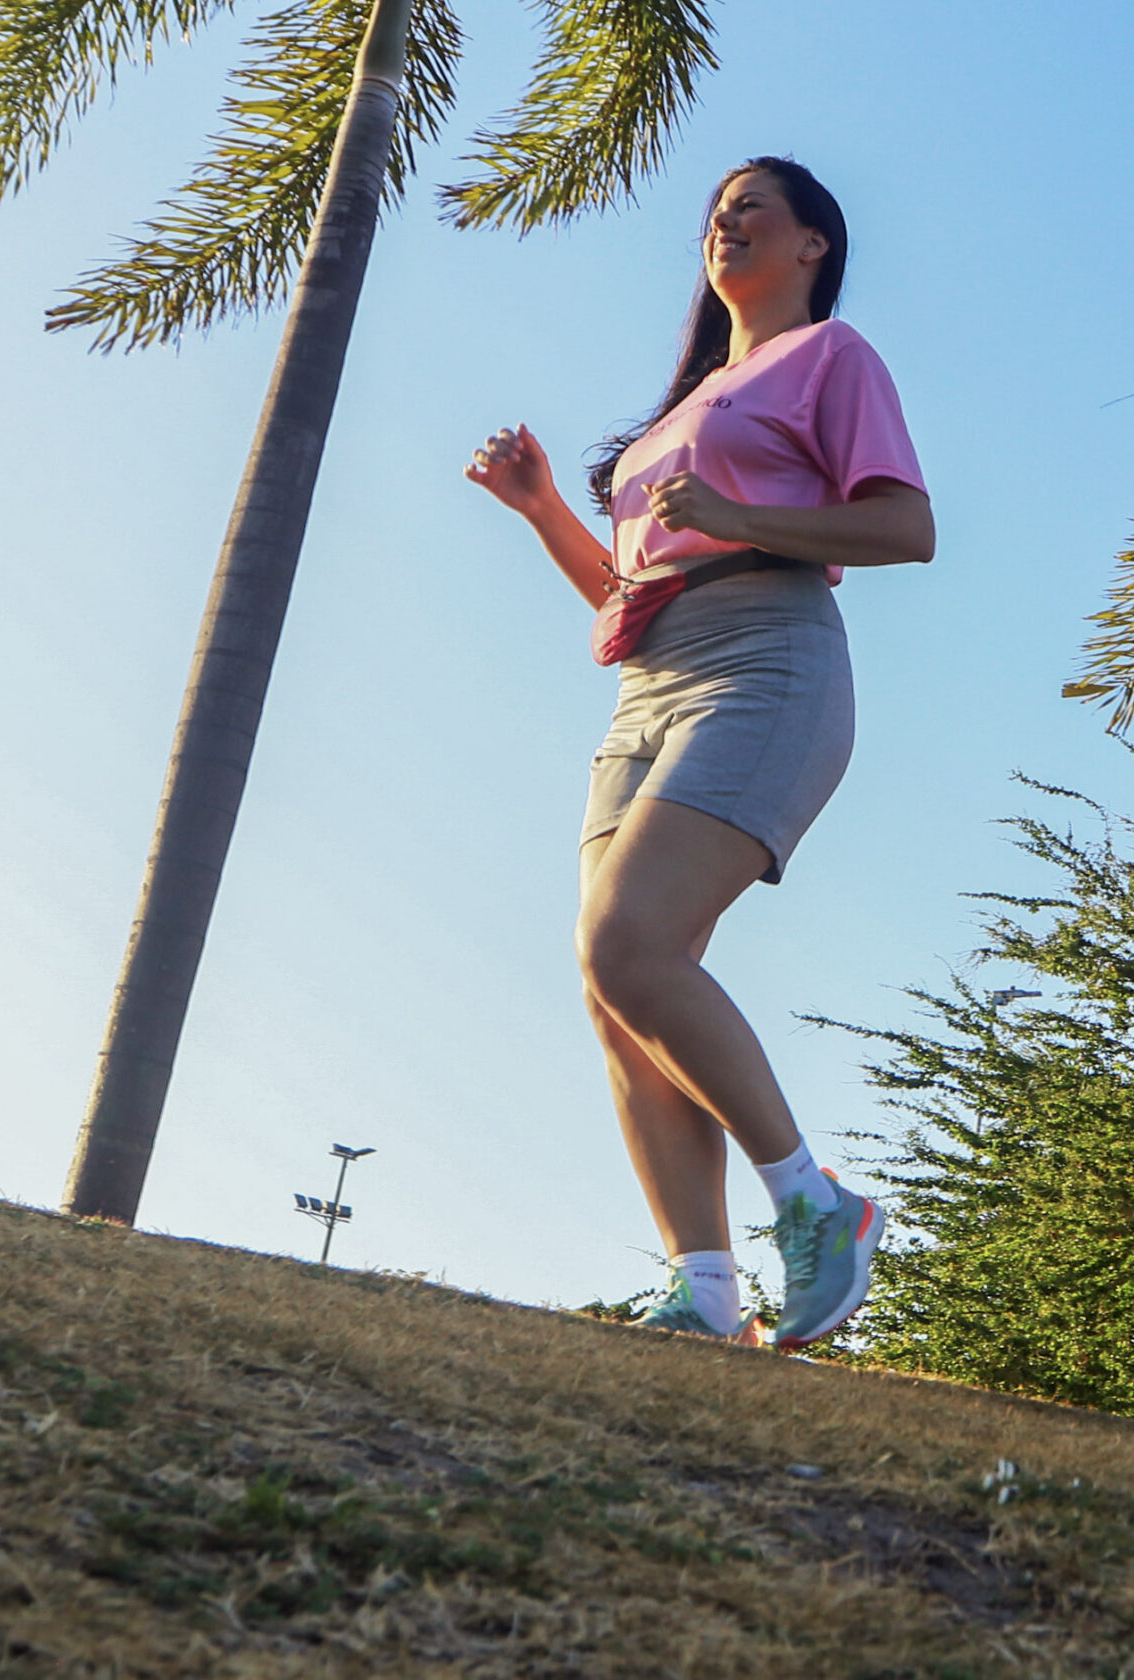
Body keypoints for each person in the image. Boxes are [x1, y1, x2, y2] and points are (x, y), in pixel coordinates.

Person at [464, 157, 934, 1350]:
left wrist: (745, 520)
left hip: (769, 657)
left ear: (813, 245)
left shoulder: (832, 358)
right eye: (713, 215)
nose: (722, 226)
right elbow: (629, 593)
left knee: (632, 940)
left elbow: (906, 528)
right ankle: (706, 1292)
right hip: (649, 682)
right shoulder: (683, 409)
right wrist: (543, 511)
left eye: (750, 209)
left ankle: (815, 1206)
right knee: (613, 986)